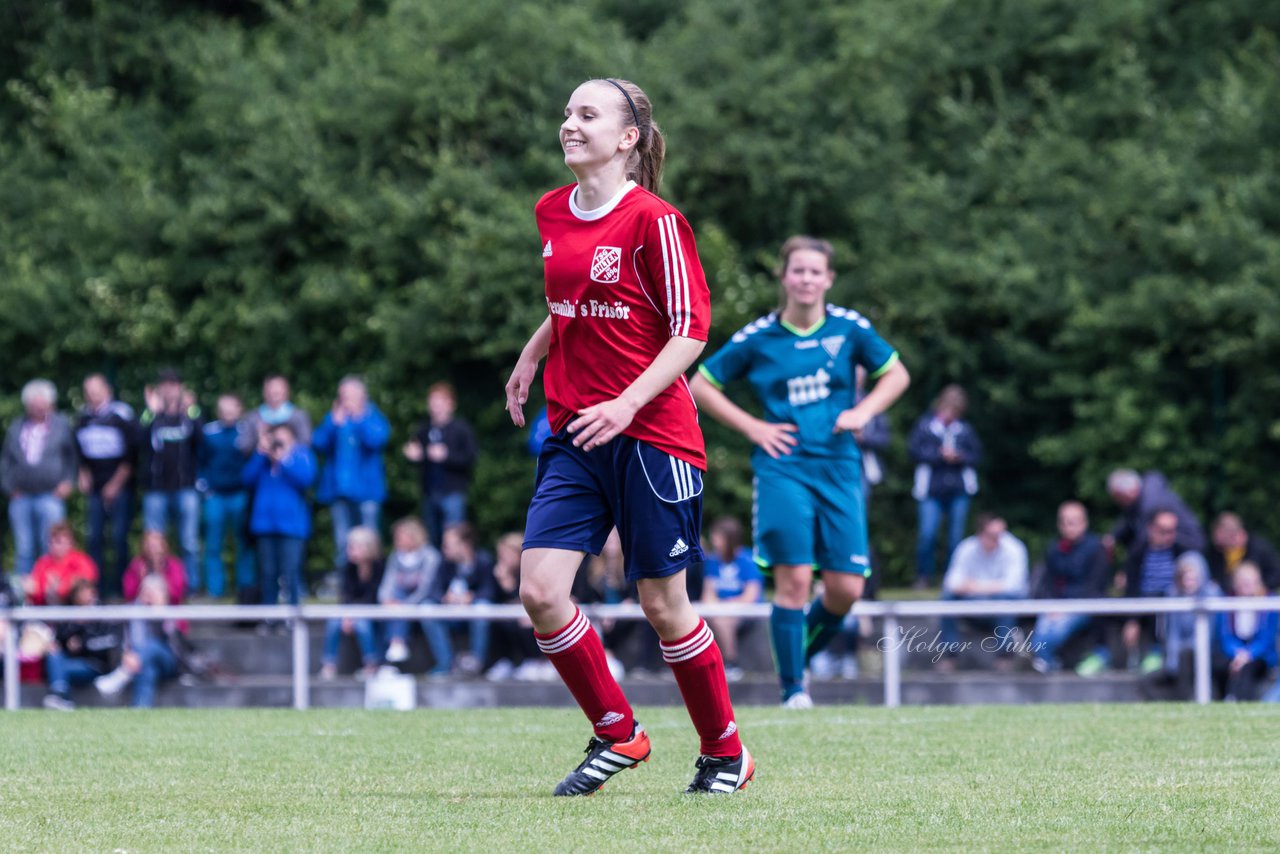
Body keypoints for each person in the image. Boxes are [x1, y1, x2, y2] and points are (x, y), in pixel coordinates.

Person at [503, 77, 750, 796]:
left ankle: (725, 753)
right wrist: (531, 353)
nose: (569, 124)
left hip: (653, 435)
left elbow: (688, 332)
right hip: (577, 431)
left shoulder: (656, 221)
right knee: (541, 591)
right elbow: (573, 300)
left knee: (662, 606)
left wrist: (628, 401)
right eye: (568, 112)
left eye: (588, 114)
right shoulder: (552, 209)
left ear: (628, 137)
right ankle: (619, 733)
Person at [690, 235, 910, 706]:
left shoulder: (849, 329)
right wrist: (753, 427)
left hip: (838, 467)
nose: (807, 279)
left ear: (828, 279)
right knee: (794, 580)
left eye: (816, 272)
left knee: (846, 588)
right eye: (798, 270)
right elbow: (701, 384)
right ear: (784, 276)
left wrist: (862, 412)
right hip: (783, 469)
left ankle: (792, 656)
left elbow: (896, 374)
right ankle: (794, 691)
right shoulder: (760, 336)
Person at [1, 379, 78, 578]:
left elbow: (72, 457)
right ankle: (23, 596)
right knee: (24, 549)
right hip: (21, 497)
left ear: (50, 404)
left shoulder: (61, 425)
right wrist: (9, 488)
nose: (38, 409)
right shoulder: (16, 427)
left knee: (51, 547)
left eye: (42, 404)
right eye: (34, 405)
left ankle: (49, 594)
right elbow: (6, 461)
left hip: (51, 496)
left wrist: (68, 481)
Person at [908, 385, 981, 589]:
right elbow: (913, 452)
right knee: (927, 535)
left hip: (958, 490)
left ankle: (951, 578)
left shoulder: (965, 430)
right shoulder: (925, 426)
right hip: (930, 490)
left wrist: (959, 457)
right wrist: (939, 455)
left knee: (955, 539)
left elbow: (977, 456)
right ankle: (923, 576)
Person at [313, 376, 391, 566]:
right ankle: (345, 583)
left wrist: (359, 420)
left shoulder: (373, 417)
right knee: (342, 540)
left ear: (362, 396)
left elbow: (377, 440)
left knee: (369, 540)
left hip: (367, 491)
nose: (345, 401)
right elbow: (317, 442)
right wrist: (333, 424)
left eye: (349, 396)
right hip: (339, 490)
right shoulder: (335, 418)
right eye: (342, 396)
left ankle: (371, 582)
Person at [935, 515, 1029, 671]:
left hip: (1000, 606)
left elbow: (1015, 586)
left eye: (1001, 533)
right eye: (993, 535)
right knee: (947, 599)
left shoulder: (1014, 548)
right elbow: (951, 583)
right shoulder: (966, 548)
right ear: (980, 534)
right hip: (971, 606)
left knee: (1006, 600)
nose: (999, 539)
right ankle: (949, 654)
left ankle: (1005, 656)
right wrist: (992, 587)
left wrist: (973, 586)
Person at [138, 370, 203, 594]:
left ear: (180, 387)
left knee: (189, 542)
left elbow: (202, 439)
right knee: (153, 543)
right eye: (165, 385)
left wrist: (191, 410)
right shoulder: (152, 415)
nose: (169, 389)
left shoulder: (190, 414)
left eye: (173, 384)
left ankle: (191, 587)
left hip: (185, 488)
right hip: (156, 490)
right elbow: (138, 440)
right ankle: (154, 587)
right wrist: (151, 411)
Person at [75, 374, 139, 597]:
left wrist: (115, 484)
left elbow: (132, 455)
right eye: (88, 390)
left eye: (96, 390)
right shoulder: (83, 416)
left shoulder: (122, 414)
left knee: (119, 538)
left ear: (107, 390)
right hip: (95, 489)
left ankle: (121, 590)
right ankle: (97, 590)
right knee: (94, 539)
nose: (92, 395)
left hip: (119, 487)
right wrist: (83, 474)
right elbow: (79, 453)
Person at [242, 423, 316, 608]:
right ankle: (270, 616)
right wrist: (260, 453)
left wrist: (283, 460)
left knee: (291, 571)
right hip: (265, 524)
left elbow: (306, 479)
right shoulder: (263, 460)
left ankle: (292, 613)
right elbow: (246, 479)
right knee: (268, 572)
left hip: (292, 525)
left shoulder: (301, 455)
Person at [1029, 501, 1109, 673]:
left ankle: (1047, 665)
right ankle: (1047, 665)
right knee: (1039, 639)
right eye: (1064, 521)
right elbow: (1047, 583)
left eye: (1072, 521)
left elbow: (1095, 587)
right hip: (1056, 606)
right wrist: (1051, 604)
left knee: (1052, 634)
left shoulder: (1097, 549)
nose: (1067, 526)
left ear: (1084, 523)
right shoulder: (1054, 549)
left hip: (1083, 606)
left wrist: (1065, 607)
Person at [404, 382, 476, 548]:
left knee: (454, 536)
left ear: (451, 404)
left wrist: (446, 456)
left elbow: (470, 457)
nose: (435, 407)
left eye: (439, 402)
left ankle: (455, 570)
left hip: (452, 491)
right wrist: (413, 456)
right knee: (431, 536)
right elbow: (416, 453)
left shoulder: (461, 428)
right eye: (432, 402)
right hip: (430, 491)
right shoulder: (423, 429)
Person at [1142, 552, 1223, 701]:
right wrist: (1172, 660)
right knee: (1147, 681)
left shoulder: (1212, 594)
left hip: (1209, 653)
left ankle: (1186, 700)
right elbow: (1172, 633)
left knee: (1187, 657)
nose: (1188, 582)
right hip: (1180, 656)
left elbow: (1210, 635)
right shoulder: (1173, 595)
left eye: (1192, 577)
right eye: (1184, 577)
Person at [93, 574, 183, 707]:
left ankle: (121, 675)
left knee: (153, 645)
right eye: (146, 591)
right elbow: (109, 622)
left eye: (153, 592)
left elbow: (173, 640)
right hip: (137, 662)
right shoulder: (132, 610)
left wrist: (158, 612)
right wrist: (126, 654)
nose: (149, 596)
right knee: (147, 670)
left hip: (168, 661)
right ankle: (139, 713)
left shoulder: (168, 611)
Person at [199, 393, 255, 601]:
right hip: (215, 496)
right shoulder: (209, 432)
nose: (227, 413)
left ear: (239, 409)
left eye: (231, 408)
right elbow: (200, 461)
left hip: (240, 495)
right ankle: (215, 590)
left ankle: (245, 589)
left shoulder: (247, 432)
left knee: (244, 545)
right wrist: (204, 487)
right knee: (213, 545)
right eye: (223, 409)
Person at [698, 517, 764, 682]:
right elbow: (707, 594)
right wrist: (717, 606)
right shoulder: (713, 561)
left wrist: (724, 605)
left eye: (718, 536)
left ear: (730, 539)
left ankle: (730, 662)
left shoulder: (748, 559)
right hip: (720, 610)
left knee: (723, 620)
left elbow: (750, 596)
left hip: (746, 611)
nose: (714, 540)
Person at [42, 579, 122, 711]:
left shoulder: (103, 615)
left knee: (60, 669)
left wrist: (83, 644)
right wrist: (61, 643)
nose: (86, 596)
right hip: (70, 660)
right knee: (54, 655)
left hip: (94, 664)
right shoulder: (69, 616)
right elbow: (60, 638)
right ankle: (60, 696)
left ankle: (60, 696)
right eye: (80, 593)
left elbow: (109, 642)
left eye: (87, 592)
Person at [379, 517, 446, 669]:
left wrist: (404, 605)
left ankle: (443, 662)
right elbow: (387, 584)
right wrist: (386, 600)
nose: (396, 541)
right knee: (389, 606)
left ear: (413, 537)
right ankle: (392, 651)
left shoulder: (430, 556)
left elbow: (426, 588)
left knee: (413, 607)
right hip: (401, 603)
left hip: (425, 600)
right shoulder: (395, 556)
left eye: (399, 537)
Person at [320, 526, 385, 681]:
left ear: (368, 547)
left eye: (354, 547)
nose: (350, 551)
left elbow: (373, 597)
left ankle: (371, 664)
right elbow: (346, 596)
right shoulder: (348, 568)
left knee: (362, 625)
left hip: (374, 612)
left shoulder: (380, 567)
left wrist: (353, 615)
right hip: (351, 612)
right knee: (333, 623)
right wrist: (348, 615)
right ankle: (328, 665)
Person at [434, 522, 497, 676]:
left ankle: (475, 665)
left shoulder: (484, 561)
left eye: (448, 545)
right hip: (450, 614)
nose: (444, 549)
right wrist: (445, 597)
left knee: (483, 607)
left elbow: (491, 591)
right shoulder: (444, 563)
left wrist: (472, 597)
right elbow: (433, 591)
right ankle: (446, 664)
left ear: (464, 544)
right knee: (426, 609)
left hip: (473, 613)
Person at [484, 532, 543, 681]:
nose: (503, 558)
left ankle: (533, 661)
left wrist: (508, 585)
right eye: (501, 554)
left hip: (531, 613)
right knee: (497, 622)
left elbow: (528, 597)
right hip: (509, 614)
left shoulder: (529, 571)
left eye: (506, 554)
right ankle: (504, 662)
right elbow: (495, 598)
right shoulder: (496, 573)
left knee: (524, 622)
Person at [1104, 469, 1205, 556]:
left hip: (1189, 547)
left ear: (1130, 492)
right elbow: (1128, 519)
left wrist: (1128, 567)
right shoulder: (1142, 494)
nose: (1119, 503)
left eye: (1119, 497)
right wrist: (1112, 536)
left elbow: (1143, 540)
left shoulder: (1150, 503)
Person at [1218, 562, 1278, 701]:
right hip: (1233, 653)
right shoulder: (1225, 601)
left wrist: (1247, 655)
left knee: (1248, 668)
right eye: (1243, 581)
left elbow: (1266, 639)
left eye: (1250, 582)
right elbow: (1224, 635)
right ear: (1235, 583)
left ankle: (1238, 700)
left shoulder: (1269, 601)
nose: (1247, 585)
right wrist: (1237, 654)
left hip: (1259, 654)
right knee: (1220, 665)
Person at [25, 522, 99, 606]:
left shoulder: (80, 560)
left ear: (70, 543)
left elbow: (87, 579)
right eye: (51, 541)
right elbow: (36, 590)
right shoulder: (43, 563)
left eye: (58, 541)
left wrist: (63, 587)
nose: (54, 545)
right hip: (50, 605)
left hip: (74, 604)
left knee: (84, 592)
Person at [237, 374, 313, 453]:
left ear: (287, 391)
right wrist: (260, 442)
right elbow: (244, 446)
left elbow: (306, 442)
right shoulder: (252, 417)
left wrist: (286, 445)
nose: (274, 391)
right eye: (270, 388)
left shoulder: (299, 416)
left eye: (278, 388)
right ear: (264, 392)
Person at [1208, 512, 1280, 593]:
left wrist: (1262, 586)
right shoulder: (1219, 551)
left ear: (1233, 535)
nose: (1216, 540)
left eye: (1219, 536)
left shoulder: (1258, 548)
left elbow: (1277, 573)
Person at [123, 530, 188, 606]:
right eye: (150, 546)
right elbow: (128, 594)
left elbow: (178, 594)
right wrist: (140, 578)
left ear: (163, 546)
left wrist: (161, 573)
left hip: (168, 607)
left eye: (156, 546)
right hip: (141, 607)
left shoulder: (174, 565)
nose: (153, 550)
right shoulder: (136, 565)